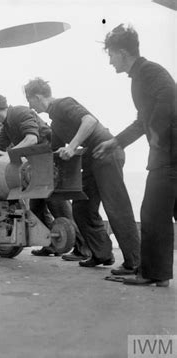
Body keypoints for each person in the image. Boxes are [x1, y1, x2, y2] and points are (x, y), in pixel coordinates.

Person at [24, 77, 140, 273]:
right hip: (91, 162)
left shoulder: (63, 104)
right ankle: (102, 253)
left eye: (30, 101)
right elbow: (52, 151)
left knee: (116, 208)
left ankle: (134, 263)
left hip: (106, 153)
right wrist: (28, 162)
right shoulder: (55, 122)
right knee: (82, 208)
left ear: (37, 97)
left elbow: (89, 121)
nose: (30, 106)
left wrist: (71, 146)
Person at [93, 24, 176, 287]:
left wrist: (157, 136)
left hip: (170, 154)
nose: (109, 61)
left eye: (111, 55)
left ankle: (154, 274)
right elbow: (141, 120)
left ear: (122, 52)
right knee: (162, 211)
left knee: (152, 212)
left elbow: (170, 99)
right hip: (169, 153)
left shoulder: (149, 71)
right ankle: (158, 273)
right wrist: (116, 142)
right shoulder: (139, 77)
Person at [0, 90, 90, 259]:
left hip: (47, 162)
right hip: (34, 165)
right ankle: (51, 244)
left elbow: (31, 139)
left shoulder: (20, 112)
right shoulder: (7, 125)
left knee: (58, 205)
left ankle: (83, 248)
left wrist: (9, 154)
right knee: (36, 208)